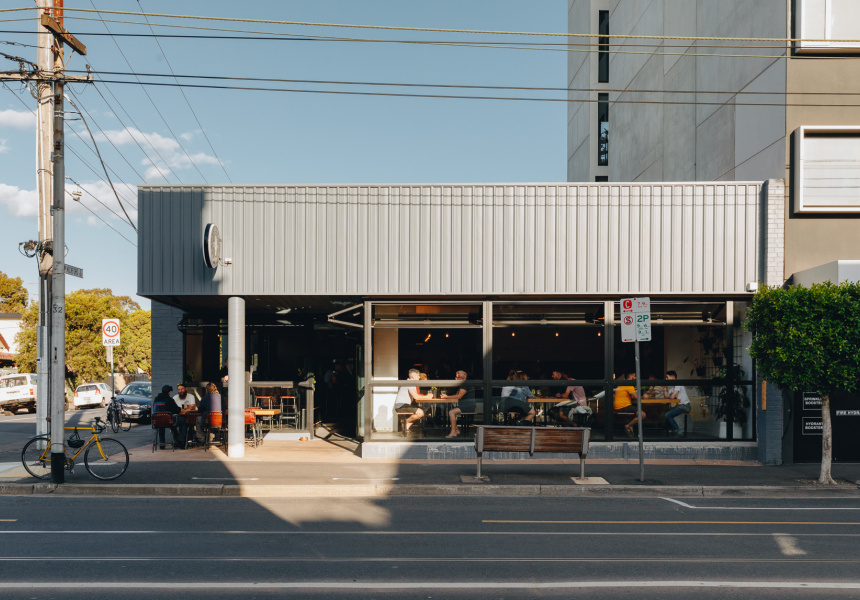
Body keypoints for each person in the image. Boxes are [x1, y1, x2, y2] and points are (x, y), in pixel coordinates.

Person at [394, 369, 432, 436]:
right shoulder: (410, 383)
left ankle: (406, 428)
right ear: (413, 376)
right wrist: (428, 397)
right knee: (420, 412)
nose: (419, 377)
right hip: (401, 406)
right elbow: (416, 396)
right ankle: (404, 421)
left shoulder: (410, 383)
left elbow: (416, 395)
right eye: (417, 376)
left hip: (403, 405)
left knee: (422, 411)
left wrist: (426, 396)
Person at [614, 372, 645, 438]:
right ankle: (628, 426)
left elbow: (632, 396)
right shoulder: (629, 384)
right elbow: (636, 397)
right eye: (634, 376)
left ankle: (630, 430)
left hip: (619, 406)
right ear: (630, 377)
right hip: (623, 406)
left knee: (634, 413)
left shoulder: (623, 383)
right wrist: (644, 396)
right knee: (642, 414)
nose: (636, 378)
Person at [442, 370, 471, 438]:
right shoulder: (462, 385)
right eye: (456, 377)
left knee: (451, 412)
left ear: (463, 379)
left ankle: (453, 433)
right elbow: (457, 395)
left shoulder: (465, 385)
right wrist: (447, 397)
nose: (455, 379)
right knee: (449, 412)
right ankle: (456, 430)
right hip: (464, 405)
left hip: (468, 406)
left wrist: (446, 397)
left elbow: (459, 396)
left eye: (458, 377)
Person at [152, 384, 181, 449]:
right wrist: (180, 408)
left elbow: (155, 409)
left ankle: (162, 445)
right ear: (168, 392)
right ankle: (177, 442)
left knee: (161, 425)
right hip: (168, 422)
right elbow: (176, 410)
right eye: (170, 392)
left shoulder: (156, 399)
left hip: (157, 422)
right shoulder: (169, 400)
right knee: (174, 426)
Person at [664, 370, 691, 436]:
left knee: (667, 415)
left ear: (672, 378)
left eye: (667, 377)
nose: (666, 379)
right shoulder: (673, 387)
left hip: (685, 406)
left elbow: (672, 396)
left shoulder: (678, 384)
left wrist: (671, 395)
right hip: (679, 406)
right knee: (663, 414)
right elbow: (666, 396)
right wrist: (664, 389)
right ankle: (673, 431)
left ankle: (678, 430)